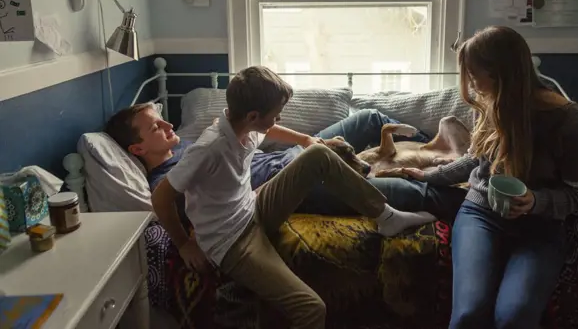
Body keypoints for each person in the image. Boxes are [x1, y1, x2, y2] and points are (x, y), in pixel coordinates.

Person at [146, 66, 436, 329]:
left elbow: (270, 129)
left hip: (253, 206)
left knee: (319, 153)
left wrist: (304, 139)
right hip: (233, 242)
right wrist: (184, 243)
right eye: (275, 113)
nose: (278, 118)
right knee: (311, 310)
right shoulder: (208, 149)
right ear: (252, 116)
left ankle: (386, 216)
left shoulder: (242, 127)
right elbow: (161, 198)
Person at [400, 26, 578, 329]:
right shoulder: (492, 103)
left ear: (501, 73)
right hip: (481, 215)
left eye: (474, 74)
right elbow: (475, 161)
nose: (472, 84)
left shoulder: (567, 120)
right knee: (468, 314)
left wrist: (535, 201)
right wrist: (429, 175)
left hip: (540, 229)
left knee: (513, 317)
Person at [105, 106, 466, 222]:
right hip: (298, 186)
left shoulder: (188, 144)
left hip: (293, 155)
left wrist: (309, 139)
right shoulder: (167, 184)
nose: (169, 125)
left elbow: (254, 128)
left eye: (164, 118)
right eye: (156, 126)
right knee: (407, 192)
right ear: (136, 149)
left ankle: (440, 151)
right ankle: (474, 202)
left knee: (369, 118)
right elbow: (231, 207)